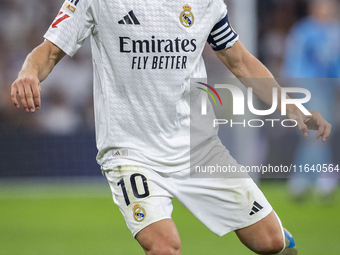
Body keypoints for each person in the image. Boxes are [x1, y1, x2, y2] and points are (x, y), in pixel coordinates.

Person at [11, 0, 331, 254]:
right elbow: (50, 50)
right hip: (130, 150)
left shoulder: (205, 4)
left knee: (270, 242)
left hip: (198, 148)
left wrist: (292, 107)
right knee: (164, 246)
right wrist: (29, 72)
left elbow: (240, 61)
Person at [282, 0, 340, 202]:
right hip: (308, 87)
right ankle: (319, 178)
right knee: (318, 132)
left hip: (328, 89)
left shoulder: (335, 31)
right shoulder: (304, 31)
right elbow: (293, 61)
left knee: (318, 135)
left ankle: (302, 181)